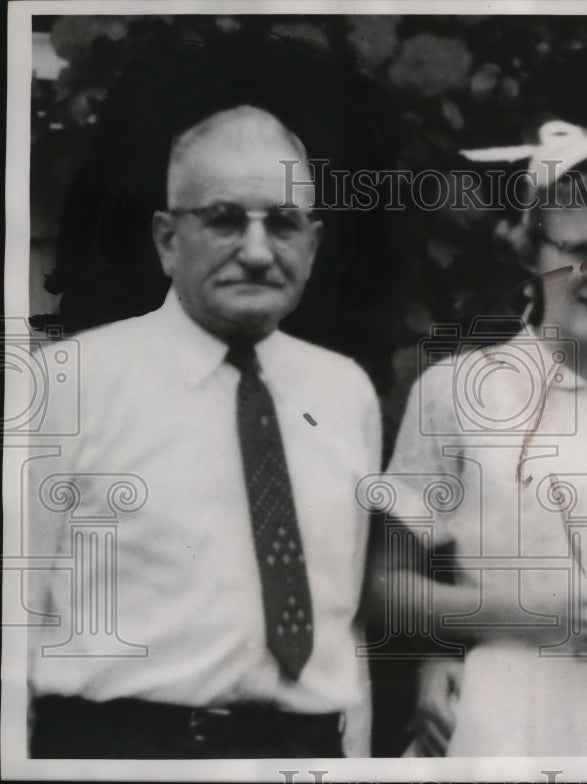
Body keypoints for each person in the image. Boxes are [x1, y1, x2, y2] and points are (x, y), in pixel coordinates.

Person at [26, 38, 391, 759]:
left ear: (313, 245)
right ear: (167, 238)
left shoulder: (343, 391)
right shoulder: (69, 382)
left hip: (303, 752)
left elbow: (340, 620)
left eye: (283, 222)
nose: (258, 250)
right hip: (124, 753)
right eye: (225, 218)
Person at [370, 108, 587, 756]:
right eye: (580, 252)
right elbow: (389, 589)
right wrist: (539, 613)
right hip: (504, 713)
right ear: (531, 253)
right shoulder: (457, 392)